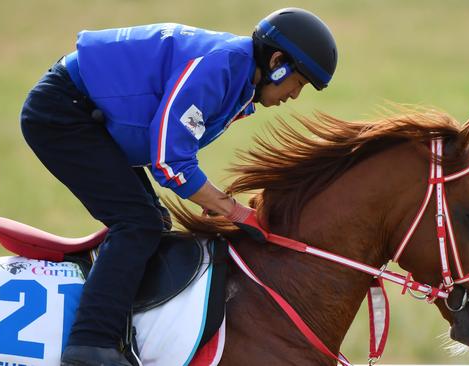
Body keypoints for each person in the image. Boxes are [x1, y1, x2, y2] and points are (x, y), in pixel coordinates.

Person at [20, 7, 337, 366]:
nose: (295, 95)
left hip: (85, 112)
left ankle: (118, 331)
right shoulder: (222, 69)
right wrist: (232, 210)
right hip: (63, 112)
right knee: (137, 224)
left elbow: (172, 151)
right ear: (278, 61)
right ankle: (89, 346)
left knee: (151, 221)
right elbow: (169, 161)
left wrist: (216, 201)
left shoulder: (238, 77)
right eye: (300, 81)